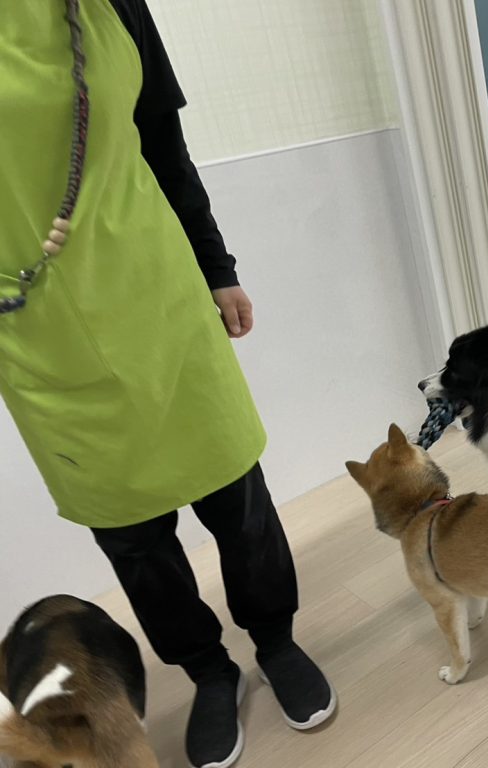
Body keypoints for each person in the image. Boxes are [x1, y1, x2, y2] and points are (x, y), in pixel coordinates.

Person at [0, 2, 335, 767]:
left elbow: (161, 141)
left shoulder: (107, 6)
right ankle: (210, 672)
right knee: (134, 540)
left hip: (159, 294)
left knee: (237, 500)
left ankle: (276, 642)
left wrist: (218, 267)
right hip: (34, 332)